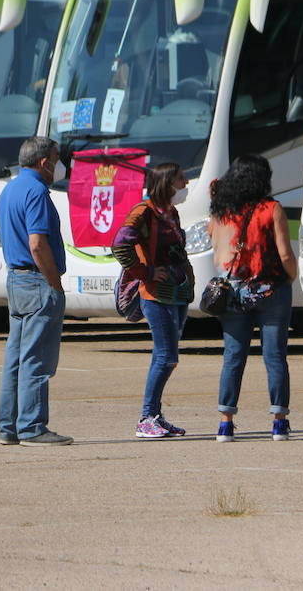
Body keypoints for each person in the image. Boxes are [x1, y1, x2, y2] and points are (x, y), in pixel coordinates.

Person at [208, 154, 298, 442]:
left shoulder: (221, 212)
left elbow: (217, 253)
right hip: (271, 289)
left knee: (233, 356)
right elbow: (284, 252)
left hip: (234, 292)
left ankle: (225, 422)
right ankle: (279, 422)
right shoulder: (272, 208)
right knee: (274, 357)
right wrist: (292, 276)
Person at [0, 135, 72, 447]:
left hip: (16, 280)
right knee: (37, 360)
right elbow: (38, 244)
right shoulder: (37, 191)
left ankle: (9, 426)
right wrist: (54, 281)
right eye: (57, 158)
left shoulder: (10, 188)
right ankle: (32, 427)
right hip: (37, 282)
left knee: (16, 357)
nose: (59, 164)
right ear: (45, 162)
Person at [112, 162, 194, 438]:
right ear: (167, 183)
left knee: (167, 357)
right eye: (181, 178)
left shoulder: (172, 213)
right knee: (166, 356)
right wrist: (144, 272)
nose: (185, 183)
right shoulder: (143, 212)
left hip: (177, 294)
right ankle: (146, 418)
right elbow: (120, 243)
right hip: (155, 296)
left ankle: (155, 416)